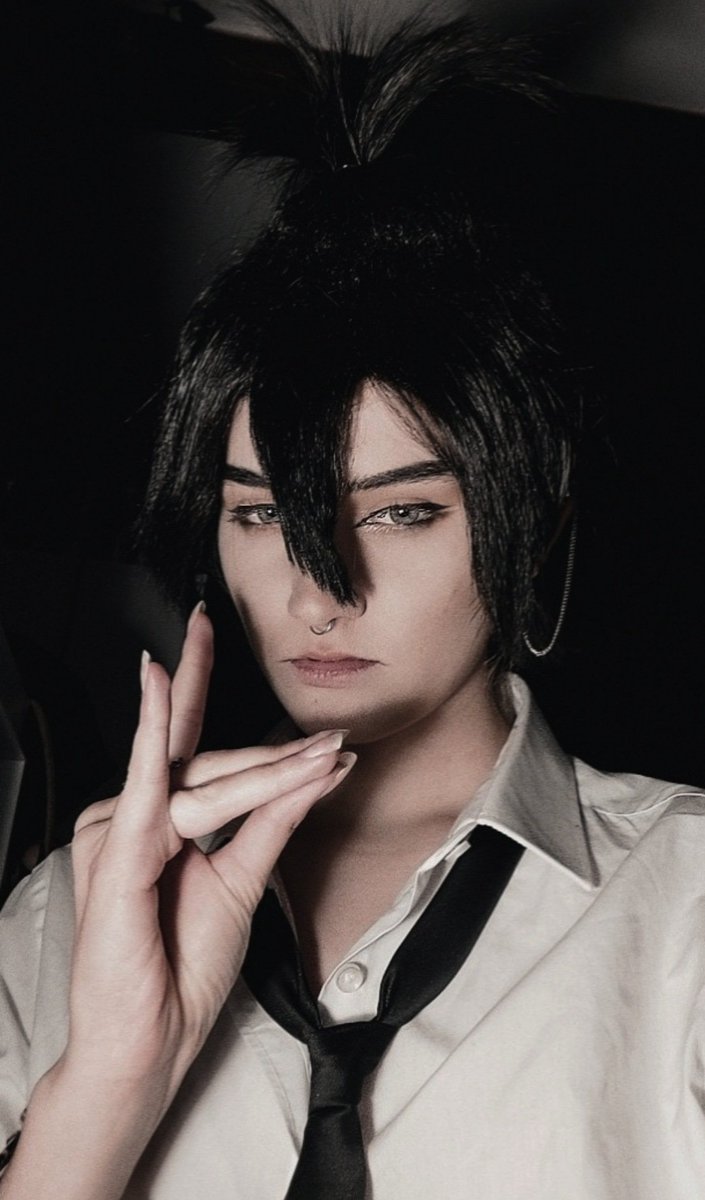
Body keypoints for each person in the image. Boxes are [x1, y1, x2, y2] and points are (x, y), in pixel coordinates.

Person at [2, 9, 705, 1199]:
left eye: (401, 511)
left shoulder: (685, 902)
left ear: (533, 519)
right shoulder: (70, 910)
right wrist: (111, 1085)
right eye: (260, 513)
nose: (317, 591)